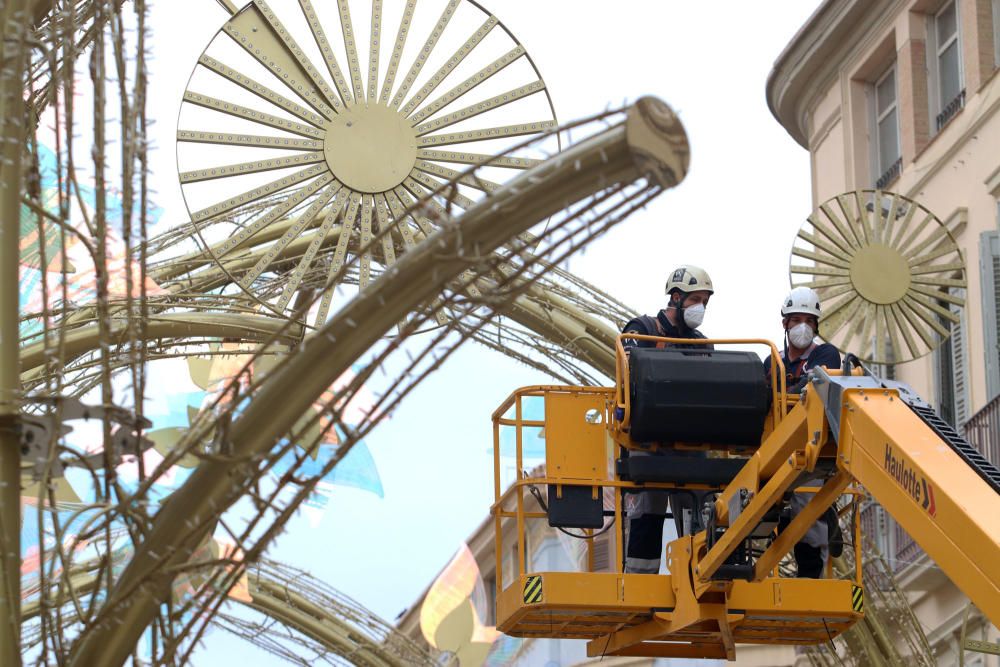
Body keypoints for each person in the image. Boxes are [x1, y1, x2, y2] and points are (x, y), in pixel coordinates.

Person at [621, 265, 714, 574]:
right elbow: (629, 374)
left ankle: (694, 580)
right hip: (648, 441)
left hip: (689, 442)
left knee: (698, 515)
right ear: (676, 297)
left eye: (704, 301)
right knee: (646, 512)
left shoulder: (702, 344)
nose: (700, 307)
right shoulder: (642, 329)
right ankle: (640, 584)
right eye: (695, 299)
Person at [768, 286, 843, 577]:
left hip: (812, 448)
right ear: (785, 323)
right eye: (797, 319)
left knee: (806, 503)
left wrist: (790, 393)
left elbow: (811, 387)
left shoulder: (826, 354)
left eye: (809, 321)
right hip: (775, 450)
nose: (803, 326)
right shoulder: (772, 362)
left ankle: (811, 574)